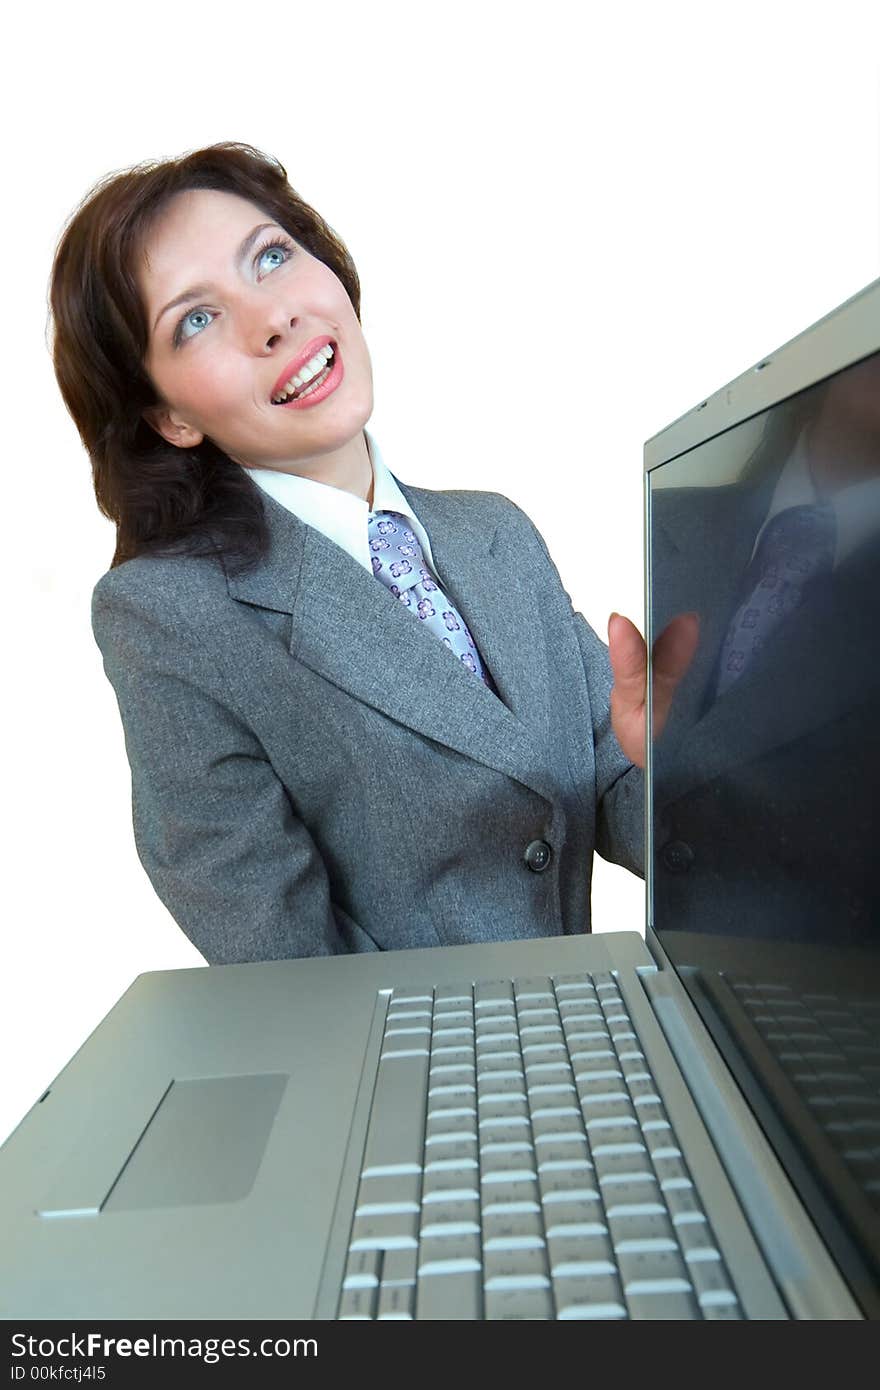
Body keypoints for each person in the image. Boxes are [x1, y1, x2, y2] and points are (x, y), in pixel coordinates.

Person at [49, 142, 682, 965]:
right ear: (169, 418)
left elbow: (618, 792)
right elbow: (282, 963)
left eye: (272, 258)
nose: (272, 319)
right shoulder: (170, 616)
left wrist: (677, 758)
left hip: (585, 1027)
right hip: (409, 1076)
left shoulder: (496, 533)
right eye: (195, 319)